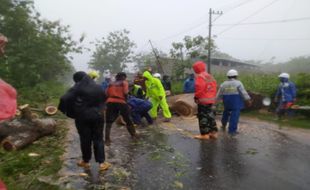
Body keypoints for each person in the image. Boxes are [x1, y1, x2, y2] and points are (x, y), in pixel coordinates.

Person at [58, 71, 110, 171]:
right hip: (98, 116)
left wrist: (67, 112)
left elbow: (64, 99)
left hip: (82, 117)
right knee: (98, 139)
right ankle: (102, 163)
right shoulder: (98, 87)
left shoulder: (77, 87)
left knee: (85, 139)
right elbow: (105, 98)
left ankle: (85, 161)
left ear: (77, 79)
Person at [105, 72, 138, 146]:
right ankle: (133, 135)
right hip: (121, 102)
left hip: (110, 102)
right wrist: (126, 102)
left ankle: (107, 140)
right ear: (123, 77)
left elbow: (106, 94)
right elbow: (126, 92)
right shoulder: (124, 82)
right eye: (125, 77)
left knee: (108, 122)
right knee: (128, 119)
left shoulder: (111, 83)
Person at [216, 69, 251, 135]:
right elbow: (243, 93)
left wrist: (216, 101)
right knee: (234, 115)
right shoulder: (238, 83)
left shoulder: (223, 84)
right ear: (236, 76)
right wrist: (248, 100)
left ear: (228, 76)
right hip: (235, 101)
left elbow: (219, 94)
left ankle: (223, 125)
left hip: (226, 101)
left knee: (225, 113)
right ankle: (232, 131)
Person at [192, 61, 218, 139]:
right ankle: (213, 133)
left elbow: (200, 88)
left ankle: (205, 134)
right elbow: (214, 87)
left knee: (203, 117)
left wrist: (196, 97)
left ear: (196, 68)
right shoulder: (210, 76)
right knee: (211, 116)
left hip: (203, 100)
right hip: (211, 100)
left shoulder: (200, 77)